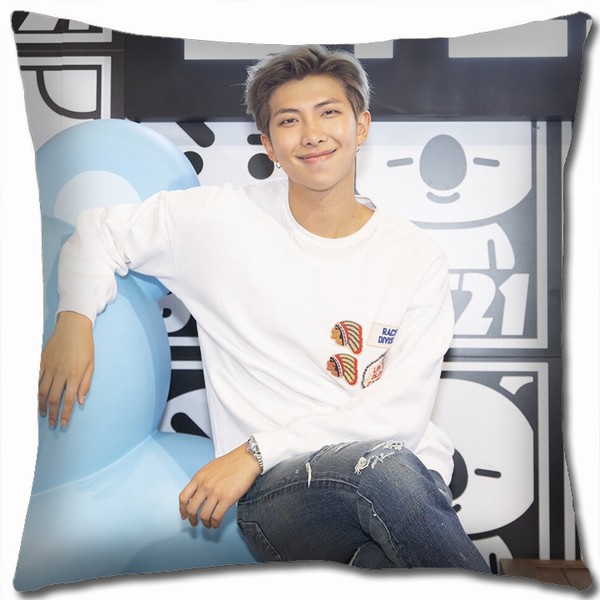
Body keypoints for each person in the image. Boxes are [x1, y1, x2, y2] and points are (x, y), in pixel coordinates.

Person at [38, 45, 490, 572]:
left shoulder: (414, 256)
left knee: (386, 526)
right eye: (289, 121)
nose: (312, 134)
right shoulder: (220, 222)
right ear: (269, 145)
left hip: (401, 476)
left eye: (329, 112)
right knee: (386, 477)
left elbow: (400, 417)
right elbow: (99, 231)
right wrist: (75, 319)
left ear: (361, 126)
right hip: (279, 493)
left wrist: (255, 448)